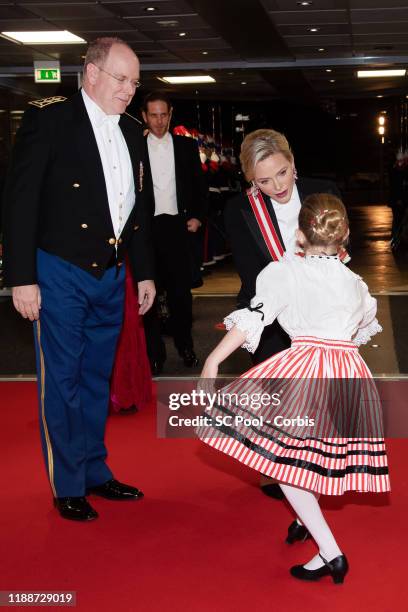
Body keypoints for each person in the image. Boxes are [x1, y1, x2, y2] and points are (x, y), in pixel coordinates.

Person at [197, 193, 390, 583]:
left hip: (305, 369)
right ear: (346, 235)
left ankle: (331, 552)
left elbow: (254, 318)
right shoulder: (356, 284)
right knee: (310, 455)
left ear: (299, 236)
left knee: (284, 461)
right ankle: (306, 518)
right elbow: (360, 329)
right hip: (347, 374)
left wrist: (213, 360)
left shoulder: (286, 272)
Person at [2, 37, 155, 521]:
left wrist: (145, 271)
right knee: (63, 380)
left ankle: (94, 470)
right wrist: (21, 278)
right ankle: (67, 483)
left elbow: (139, 210)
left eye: (134, 81)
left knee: (94, 379)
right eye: (121, 78)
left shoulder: (133, 132)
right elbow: (20, 202)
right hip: (59, 272)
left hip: (110, 275)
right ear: (91, 72)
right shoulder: (49, 120)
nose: (129, 90)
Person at [224, 128, 344, 499]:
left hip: (321, 313)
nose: (277, 185)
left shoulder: (325, 193)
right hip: (270, 313)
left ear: (293, 163)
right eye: (263, 180)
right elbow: (252, 277)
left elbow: (341, 250)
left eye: (282, 172)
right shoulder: (237, 210)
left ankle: (315, 461)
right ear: (249, 180)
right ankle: (277, 468)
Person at [141, 91, 207, 375]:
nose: (158, 121)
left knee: (181, 295)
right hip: (146, 230)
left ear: (170, 115)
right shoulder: (133, 146)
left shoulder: (186, 146)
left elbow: (199, 186)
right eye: (153, 115)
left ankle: (185, 346)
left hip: (178, 228)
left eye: (163, 115)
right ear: (144, 116)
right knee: (148, 297)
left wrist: (198, 217)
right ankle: (154, 354)